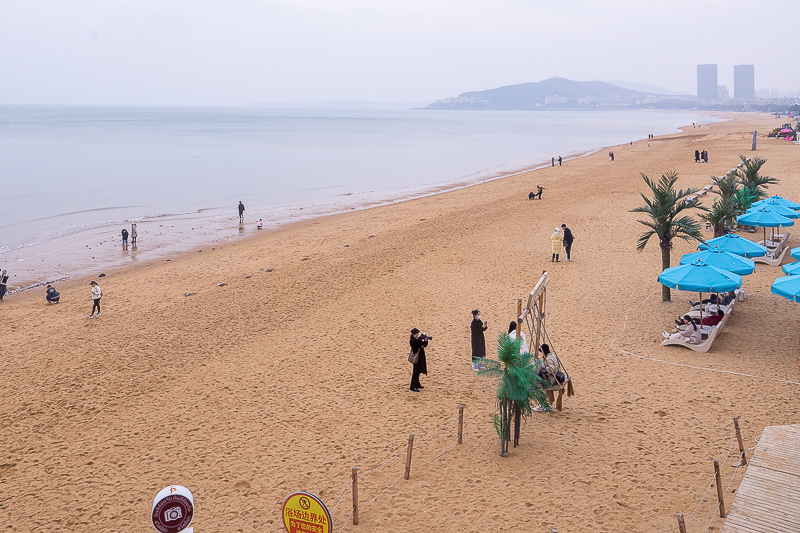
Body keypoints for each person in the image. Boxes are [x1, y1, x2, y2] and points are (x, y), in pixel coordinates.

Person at [409, 328, 429, 392]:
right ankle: (413, 386)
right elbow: (416, 343)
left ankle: (417, 384)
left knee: (418, 372)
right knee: (415, 372)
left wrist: (425, 341)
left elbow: (423, 345)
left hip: (420, 357)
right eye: (416, 334)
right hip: (416, 358)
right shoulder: (412, 340)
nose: (417, 335)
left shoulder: (417, 340)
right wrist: (421, 337)